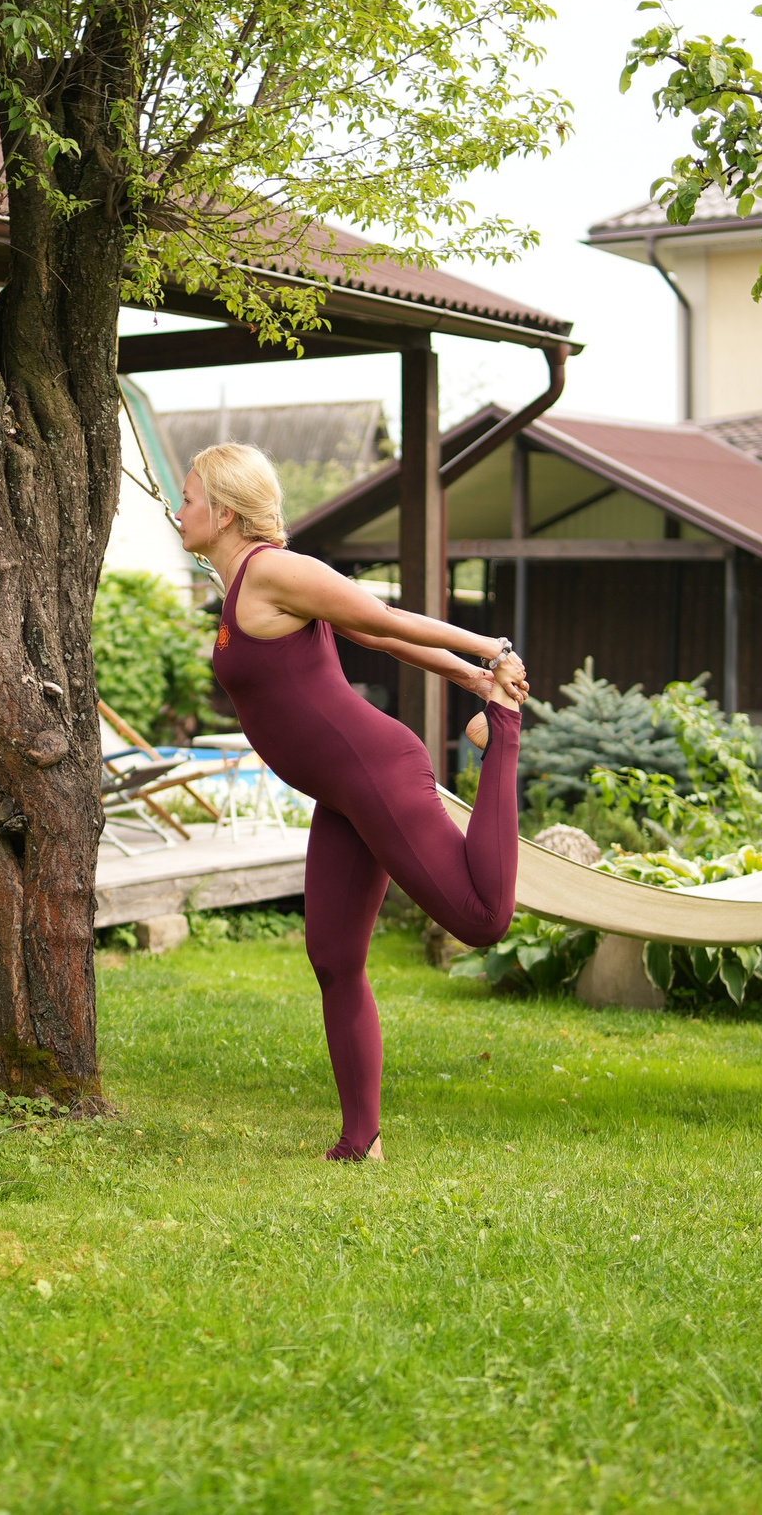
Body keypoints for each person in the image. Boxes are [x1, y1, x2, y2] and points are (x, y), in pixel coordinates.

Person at [176, 443, 529, 1162]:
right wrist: (465, 675)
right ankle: (358, 1138)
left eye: (188, 497)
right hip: (340, 793)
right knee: (334, 956)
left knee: (483, 920)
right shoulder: (241, 582)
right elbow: (373, 635)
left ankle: (503, 738)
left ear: (226, 511)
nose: (180, 510)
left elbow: (384, 615)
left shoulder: (274, 570)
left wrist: (490, 653)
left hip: (374, 771)